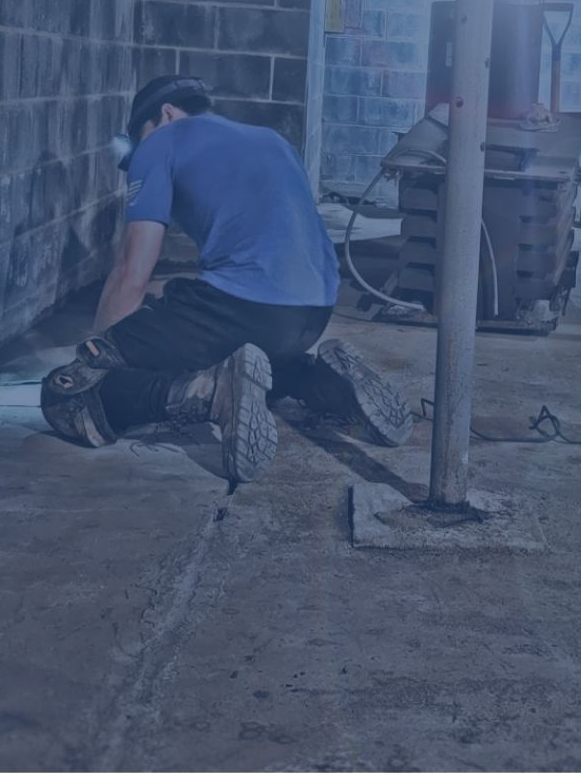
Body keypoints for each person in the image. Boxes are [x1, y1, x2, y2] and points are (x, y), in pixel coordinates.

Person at [40, 75, 412, 482]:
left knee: (68, 394)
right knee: (247, 362)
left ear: (166, 114)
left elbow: (133, 269)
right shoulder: (272, 140)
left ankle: (207, 392)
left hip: (242, 309)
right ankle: (316, 380)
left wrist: (98, 356)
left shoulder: (159, 144)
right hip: (314, 312)